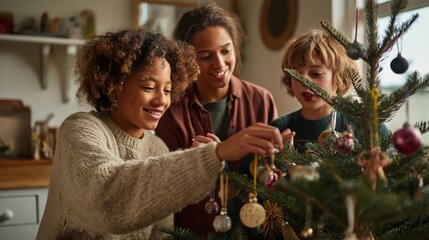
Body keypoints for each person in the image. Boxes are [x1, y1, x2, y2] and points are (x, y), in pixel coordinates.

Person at [36, 27, 284, 240]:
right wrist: (215, 154)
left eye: (167, 90)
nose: (161, 100)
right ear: (113, 84)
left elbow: (162, 235)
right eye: (148, 87)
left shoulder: (157, 149)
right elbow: (107, 199)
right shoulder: (80, 129)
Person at [155, 2, 278, 237]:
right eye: (205, 56)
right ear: (186, 60)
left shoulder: (262, 100)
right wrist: (191, 161)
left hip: (253, 231)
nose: (220, 64)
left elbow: (275, 173)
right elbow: (164, 187)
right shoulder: (171, 109)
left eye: (226, 51)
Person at [270, 29, 389, 152]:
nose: (303, 80)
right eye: (296, 74)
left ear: (340, 78)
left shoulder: (366, 128)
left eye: (315, 73)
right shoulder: (278, 129)